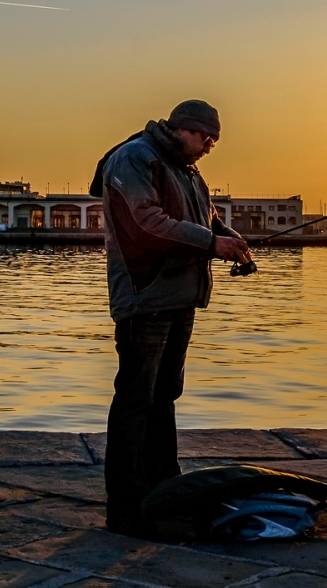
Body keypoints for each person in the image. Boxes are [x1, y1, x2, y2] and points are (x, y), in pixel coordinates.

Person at [92, 100, 252, 537]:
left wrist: (227, 237)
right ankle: (125, 507)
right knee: (136, 399)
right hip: (145, 299)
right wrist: (209, 243)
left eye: (214, 141)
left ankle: (165, 492)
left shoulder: (186, 169)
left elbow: (205, 219)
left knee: (164, 397)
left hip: (180, 298)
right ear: (184, 128)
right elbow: (145, 223)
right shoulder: (135, 158)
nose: (209, 146)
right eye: (205, 137)